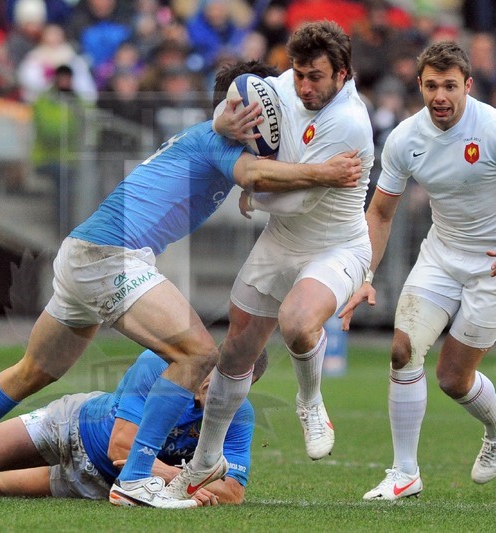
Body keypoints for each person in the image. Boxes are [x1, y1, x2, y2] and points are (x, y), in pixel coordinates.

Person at [0, 59, 362, 507]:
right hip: (111, 256)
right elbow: (256, 173)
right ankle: (137, 479)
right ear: (246, 107)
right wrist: (326, 172)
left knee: (33, 370)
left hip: (84, 251)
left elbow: (255, 177)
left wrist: (257, 193)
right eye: (273, 107)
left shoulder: (213, 139)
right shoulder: (218, 140)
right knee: (198, 355)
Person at [159, 20, 374, 503]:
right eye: (298, 73)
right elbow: (227, 107)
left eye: (316, 77)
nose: (304, 86)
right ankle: (204, 462)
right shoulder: (278, 87)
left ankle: (310, 401)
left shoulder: (350, 122)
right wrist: (226, 128)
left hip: (337, 245)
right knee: (235, 352)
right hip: (280, 240)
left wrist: (254, 188)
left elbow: (296, 201)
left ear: (342, 74)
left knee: (297, 323)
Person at [339, 41, 496, 500]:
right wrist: (364, 276)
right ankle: (404, 473)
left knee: (452, 378)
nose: (440, 96)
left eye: (450, 86)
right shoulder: (405, 138)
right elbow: (380, 213)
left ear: (468, 86)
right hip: (441, 256)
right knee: (402, 350)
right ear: (419, 85)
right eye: (432, 86)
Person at [0, 348, 268, 505]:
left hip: (99, 484)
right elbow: (122, 448)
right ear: (212, 364)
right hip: (72, 425)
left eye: (234, 390)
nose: (218, 393)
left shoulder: (238, 415)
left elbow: (233, 492)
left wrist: (188, 482)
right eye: (217, 380)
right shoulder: (158, 365)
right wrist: (188, 480)